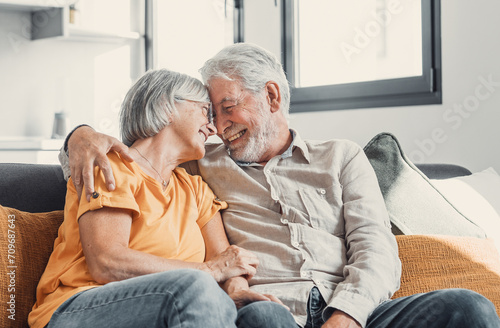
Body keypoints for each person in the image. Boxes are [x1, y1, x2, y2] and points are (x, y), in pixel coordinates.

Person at [61, 43, 500, 328]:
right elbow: (138, 157)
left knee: (469, 308)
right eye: (210, 112)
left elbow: (375, 248)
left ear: (271, 97)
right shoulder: (200, 164)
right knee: (264, 320)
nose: (217, 126)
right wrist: (77, 136)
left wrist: (347, 315)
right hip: (272, 312)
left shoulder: (342, 157)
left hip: (351, 312)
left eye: (228, 107)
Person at [28, 68, 272, 328]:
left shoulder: (195, 189)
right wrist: (210, 271)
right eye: (205, 111)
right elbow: (107, 263)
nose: (213, 128)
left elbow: (226, 259)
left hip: (172, 308)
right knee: (196, 286)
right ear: (166, 106)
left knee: (263, 316)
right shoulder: (110, 165)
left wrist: (235, 290)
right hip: (79, 307)